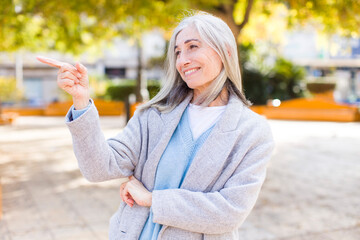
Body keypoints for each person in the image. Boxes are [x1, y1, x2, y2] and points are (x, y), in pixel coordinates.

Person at [37, 12, 274, 240]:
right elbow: (99, 167)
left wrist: (153, 199)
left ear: (226, 52)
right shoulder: (153, 115)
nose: (183, 60)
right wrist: (81, 101)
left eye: (193, 47)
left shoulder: (253, 132)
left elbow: (229, 212)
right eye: (178, 51)